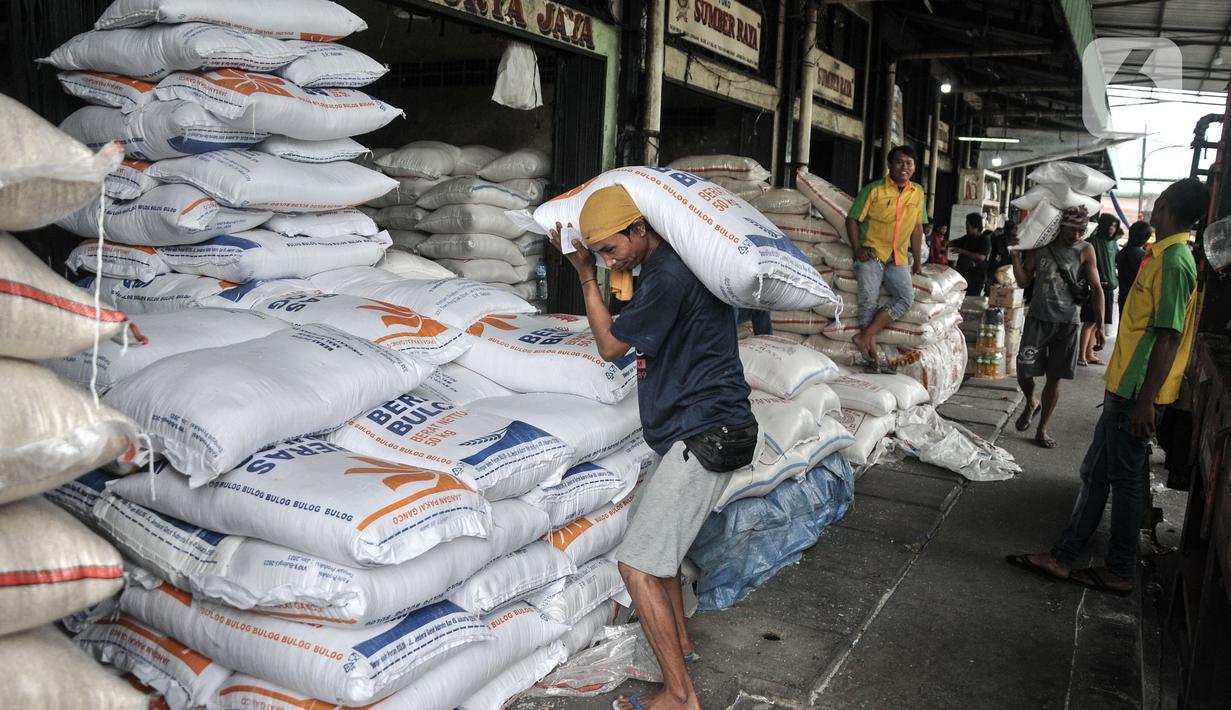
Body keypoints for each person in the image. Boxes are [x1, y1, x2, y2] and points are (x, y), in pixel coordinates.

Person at [549, 185, 759, 710]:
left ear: (640, 229)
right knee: (649, 535)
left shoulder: (669, 275)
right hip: (705, 428)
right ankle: (680, 647)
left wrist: (583, 277)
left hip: (708, 432)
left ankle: (680, 697)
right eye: (599, 254)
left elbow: (610, 344)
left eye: (612, 249)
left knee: (637, 564)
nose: (607, 259)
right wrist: (605, 263)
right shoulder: (668, 265)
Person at [1007, 178, 1209, 595]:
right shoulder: (1165, 254)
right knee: (1096, 474)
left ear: (1168, 206)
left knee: (1126, 479)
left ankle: (1119, 569)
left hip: (1136, 394)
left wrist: (1145, 403)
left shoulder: (1174, 261)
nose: (1153, 208)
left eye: (1159, 202)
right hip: (1125, 389)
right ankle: (1064, 557)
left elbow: (1167, 336)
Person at [1010, 206, 1104, 448]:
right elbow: (1023, 281)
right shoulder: (1041, 247)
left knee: (1055, 378)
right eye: (1072, 229)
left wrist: (1101, 324)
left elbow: (1097, 288)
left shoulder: (1086, 250)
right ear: (1061, 225)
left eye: (1081, 230)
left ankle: (1042, 429)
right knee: (1024, 370)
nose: (1076, 234)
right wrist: (1014, 256)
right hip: (1038, 319)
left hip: (1068, 323)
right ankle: (1031, 400)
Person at [845, 145, 927, 370]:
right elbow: (852, 219)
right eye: (900, 162)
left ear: (914, 167)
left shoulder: (917, 192)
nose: (905, 167)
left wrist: (918, 260)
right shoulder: (874, 190)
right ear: (890, 165)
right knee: (868, 301)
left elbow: (917, 228)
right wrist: (857, 249)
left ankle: (866, 336)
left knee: (905, 299)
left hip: (898, 256)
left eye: (909, 163)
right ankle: (869, 351)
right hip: (872, 254)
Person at [1080, 214, 1121, 366]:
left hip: (1109, 289)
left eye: (1115, 226)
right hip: (1096, 287)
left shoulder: (1112, 244)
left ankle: (1089, 353)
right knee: (1090, 322)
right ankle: (1081, 355)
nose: (1112, 229)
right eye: (1110, 225)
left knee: (1097, 324)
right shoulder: (1093, 242)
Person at [1116, 220, 1153, 315]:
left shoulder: (1122, 252)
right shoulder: (1142, 256)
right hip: (1137, 299)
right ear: (1145, 238)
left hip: (1123, 296)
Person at [949, 213, 989, 295]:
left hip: (976, 277)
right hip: (963, 275)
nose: (966, 228)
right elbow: (953, 243)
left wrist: (962, 251)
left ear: (975, 227)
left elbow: (981, 257)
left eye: (968, 225)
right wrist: (943, 243)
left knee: (971, 300)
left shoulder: (984, 240)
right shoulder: (967, 238)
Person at [985, 220, 1015, 293]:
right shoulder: (1001, 239)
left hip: (999, 266)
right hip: (1000, 266)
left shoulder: (999, 238)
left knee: (996, 288)